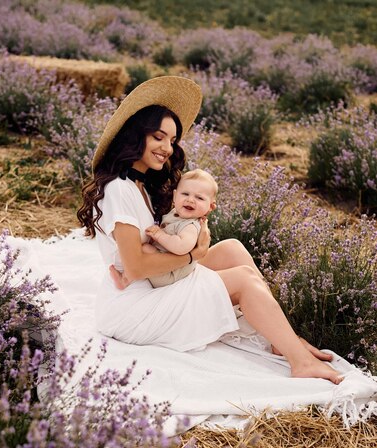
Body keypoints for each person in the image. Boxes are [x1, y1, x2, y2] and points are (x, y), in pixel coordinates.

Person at [77, 76, 342, 384]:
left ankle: (280, 338)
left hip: (155, 284)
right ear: (136, 136)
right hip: (133, 308)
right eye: (158, 137)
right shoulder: (120, 190)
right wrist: (194, 255)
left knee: (232, 249)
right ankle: (300, 362)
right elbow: (135, 267)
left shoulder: (141, 185)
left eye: (172, 140)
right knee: (242, 281)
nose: (167, 148)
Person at [111, 168, 217, 289]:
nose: (190, 199)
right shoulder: (176, 214)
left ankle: (126, 278)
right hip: (168, 265)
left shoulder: (190, 226)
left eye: (199, 198)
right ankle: (127, 277)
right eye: (185, 194)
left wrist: (160, 236)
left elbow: (181, 247)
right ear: (175, 196)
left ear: (210, 206)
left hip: (170, 275)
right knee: (145, 248)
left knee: (146, 249)